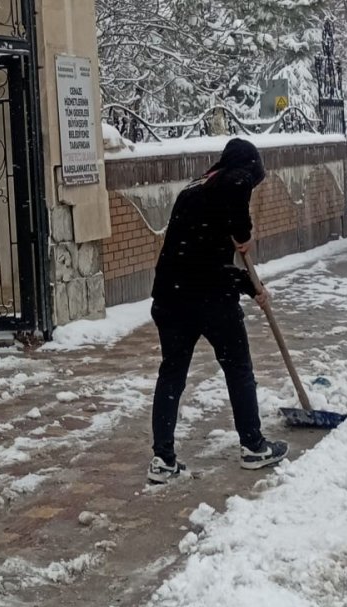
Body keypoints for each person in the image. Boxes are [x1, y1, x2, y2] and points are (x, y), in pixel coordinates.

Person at [147, 137, 289, 484]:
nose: (250, 186)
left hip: (172, 298)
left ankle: (162, 459)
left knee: (171, 377)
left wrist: (249, 284)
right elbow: (235, 191)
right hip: (209, 300)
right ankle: (254, 447)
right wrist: (244, 232)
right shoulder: (231, 182)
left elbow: (201, 256)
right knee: (238, 368)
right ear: (243, 170)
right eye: (252, 179)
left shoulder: (194, 190)